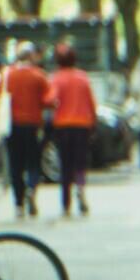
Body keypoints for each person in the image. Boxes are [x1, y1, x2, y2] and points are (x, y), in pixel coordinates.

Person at [1, 41, 53, 217]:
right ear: (31, 56)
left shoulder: (7, 75)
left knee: (15, 163)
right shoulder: (38, 75)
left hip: (11, 125)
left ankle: (18, 203)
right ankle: (31, 188)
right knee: (33, 161)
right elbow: (49, 100)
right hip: (32, 125)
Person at [48, 43, 97, 218]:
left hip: (63, 125)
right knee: (80, 162)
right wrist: (93, 122)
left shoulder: (56, 78)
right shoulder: (82, 77)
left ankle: (65, 202)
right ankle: (81, 188)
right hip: (82, 125)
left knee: (65, 164)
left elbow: (50, 99)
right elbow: (91, 103)